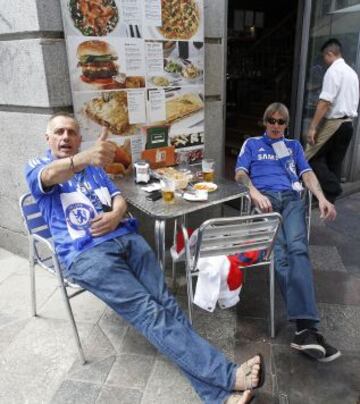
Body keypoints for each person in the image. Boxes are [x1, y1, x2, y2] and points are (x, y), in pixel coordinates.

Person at [25, 112, 264, 404]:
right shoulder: (39, 166)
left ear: (78, 137)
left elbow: (118, 196)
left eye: (71, 132)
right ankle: (229, 376)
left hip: (124, 238)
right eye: (59, 132)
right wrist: (85, 158)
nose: (65, 137)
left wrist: (115, 214)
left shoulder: (94, 169)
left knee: (167, 307)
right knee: (150, 313)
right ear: (47, 138)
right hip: (86, 254)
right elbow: (49, 177)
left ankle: (218, 397)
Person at [235, 102, 341, 362]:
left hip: (293, 200)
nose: (275, 126)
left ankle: (305, 329)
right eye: (271, 120)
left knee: (298, 249)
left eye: (281, 122)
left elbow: (307, 175)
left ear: (286, 124)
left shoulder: (293, 146)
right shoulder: (252, 144)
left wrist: (322, 198)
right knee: (280, 254)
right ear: (265, 121)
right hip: (266, 200)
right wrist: (254, 191)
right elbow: (239, 173)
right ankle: (306, 329)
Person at [305, 38, 359, 203]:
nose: (324, 61)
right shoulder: (352, 72)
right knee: (335, 161)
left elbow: (325, 102)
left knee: (311, 157)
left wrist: (313, 127)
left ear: (330, 53)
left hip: (335, 123)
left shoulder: (333, 71)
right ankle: (329, 198)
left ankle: (333, 188)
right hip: (348, 123)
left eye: (324, 57)